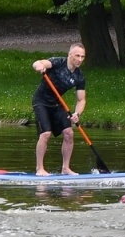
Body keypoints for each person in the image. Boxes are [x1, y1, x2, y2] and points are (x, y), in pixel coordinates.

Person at [32, 44, 86, 175]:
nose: (80, 59)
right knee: (45, 134)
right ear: (70, 55)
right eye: (77, 56)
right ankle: (40, 168)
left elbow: (81, 100)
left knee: (69, 133)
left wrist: (77, 113)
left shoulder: (79, 76)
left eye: (82, 56)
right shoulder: (57, 62)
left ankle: (65, 168)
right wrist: (39, 66)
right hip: (41, 102)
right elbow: (38, 62)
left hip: (57, 103)